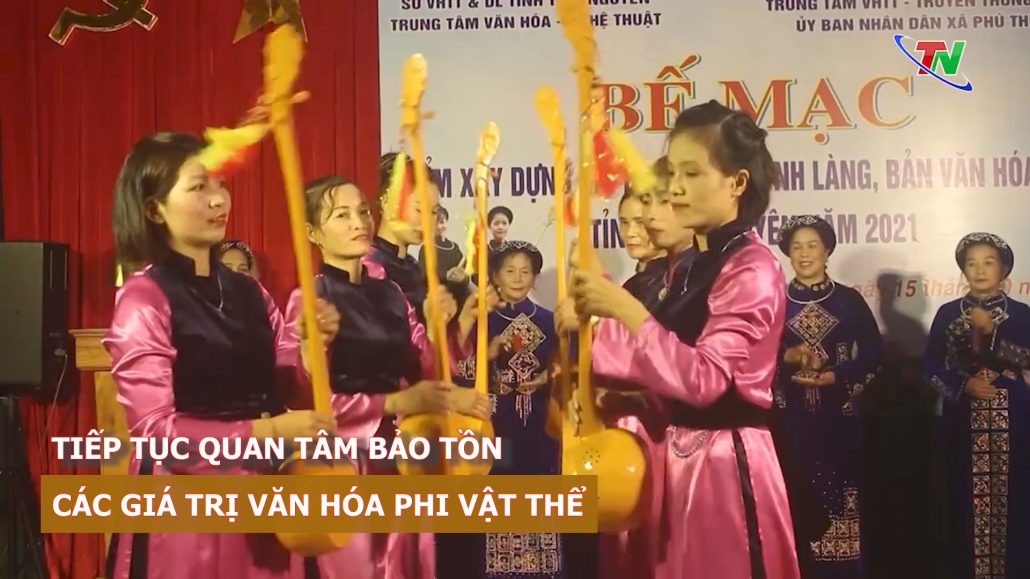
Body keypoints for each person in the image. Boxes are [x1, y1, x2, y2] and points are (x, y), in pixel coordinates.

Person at [556, 101, 800, 578]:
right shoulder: (689, 268)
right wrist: (613, 392)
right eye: (673, 172)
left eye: (692, 173)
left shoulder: (751, 266)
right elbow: (658, 368)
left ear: (737, 182)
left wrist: (622, 310)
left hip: (724, 466)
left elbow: (705, 381)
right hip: (673, 460)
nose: (675, 188)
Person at [103, 132, 339, 579]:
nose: (218, 200)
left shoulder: (248, 290)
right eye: (198, 187)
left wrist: (311, 347)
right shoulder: (144, 297)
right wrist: (270, 432)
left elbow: (287, 387)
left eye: (220, 185)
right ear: (154, 209)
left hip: (266, 495)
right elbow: (157, 434)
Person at [288, 174, 491, 579]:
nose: (358, 223)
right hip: (344, 457)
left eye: (362, 212)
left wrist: (443, 328)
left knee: (410, 565)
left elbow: (423, 369)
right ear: (313, 233)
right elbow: (310, 402)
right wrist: (394, 402)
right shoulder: (309, 299)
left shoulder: (392, 294)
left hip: (401, 453)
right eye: (341, 215)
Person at [440, 240, 566, 579]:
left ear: (535, 277)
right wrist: (488, 355)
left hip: (538, 425)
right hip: (495, 424)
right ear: (494, 275)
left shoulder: (550, 321)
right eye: (510, 270)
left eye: (526, 271)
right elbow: (457, 372)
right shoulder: (480, 320)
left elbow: (563, 370)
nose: (518, 278)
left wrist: (548, 378)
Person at [775, 215, 885, 579]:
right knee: (790, 500)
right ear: (787, 253)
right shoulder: (773, 301)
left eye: (812, 246)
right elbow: (753, 357)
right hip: (787, 422)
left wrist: (838, 375)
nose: (804, 254)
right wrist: (786, 359)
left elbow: (875, 356)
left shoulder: (848, 300)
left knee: (842, 501)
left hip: (838, 420)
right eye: (796, 247)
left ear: (827, 251)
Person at [923, 232, 1030, 579]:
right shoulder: (947, 314)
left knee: (1016, 503)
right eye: (972, 263)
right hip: (963, 425)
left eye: (988, 262)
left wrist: (992, 334)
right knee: (963, 502)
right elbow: (930, 368)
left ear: (1003, 270)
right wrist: (963, 384)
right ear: (963, 270)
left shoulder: (1021, 315)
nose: (980, 270)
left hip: (1015, 425)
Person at [371, 153, 457, 325]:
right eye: (419, 210)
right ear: (386, 202)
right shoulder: (370, 267)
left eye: (434, 212)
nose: (427, 221)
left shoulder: (413, 267)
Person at [417, 205, 463, 284]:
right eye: (435, 224)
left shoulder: (454, 247)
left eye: (442, 222)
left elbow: (463, 268)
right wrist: (445, 275)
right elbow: (424, 274)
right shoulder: (426, 248)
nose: (439, 227)